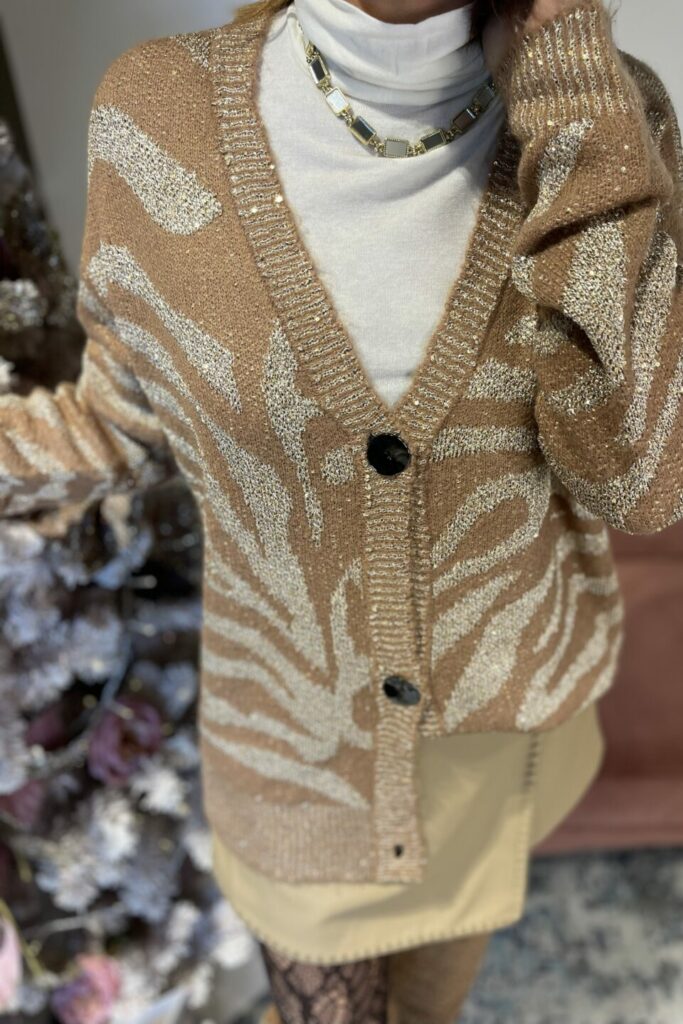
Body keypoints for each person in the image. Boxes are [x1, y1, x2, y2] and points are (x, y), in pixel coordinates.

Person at [0, 0, 680, 1020]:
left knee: (430, 1007)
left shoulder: (604, 112)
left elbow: (637, 477)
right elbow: (121, 417)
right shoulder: (157, 109)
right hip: (291, 746)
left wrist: (570, 89)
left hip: (501, 728)